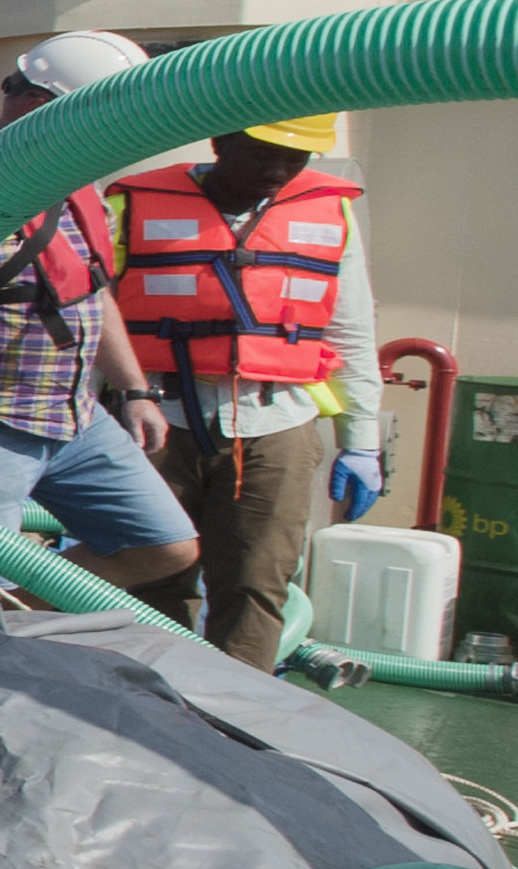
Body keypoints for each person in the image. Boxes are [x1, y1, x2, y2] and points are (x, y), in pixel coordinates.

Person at [0, 33, 200, 598]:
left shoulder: (76, 184)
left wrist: (134, 391)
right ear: (41, 106)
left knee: (165, 544)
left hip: (75, 418)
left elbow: (90, 291)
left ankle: (13, 617)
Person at [110, 112, 385, 669]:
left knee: (256, 585)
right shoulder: (132, 204)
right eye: (264, 153)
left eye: (297, 157)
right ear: (222, 141)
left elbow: (352, 332)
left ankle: (234, 727)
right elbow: (94, 319)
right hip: (153, 422)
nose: (280, 168)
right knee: (147, 575)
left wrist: (363, 440)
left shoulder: (333, 212)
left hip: (275, 424)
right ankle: (139, 703)